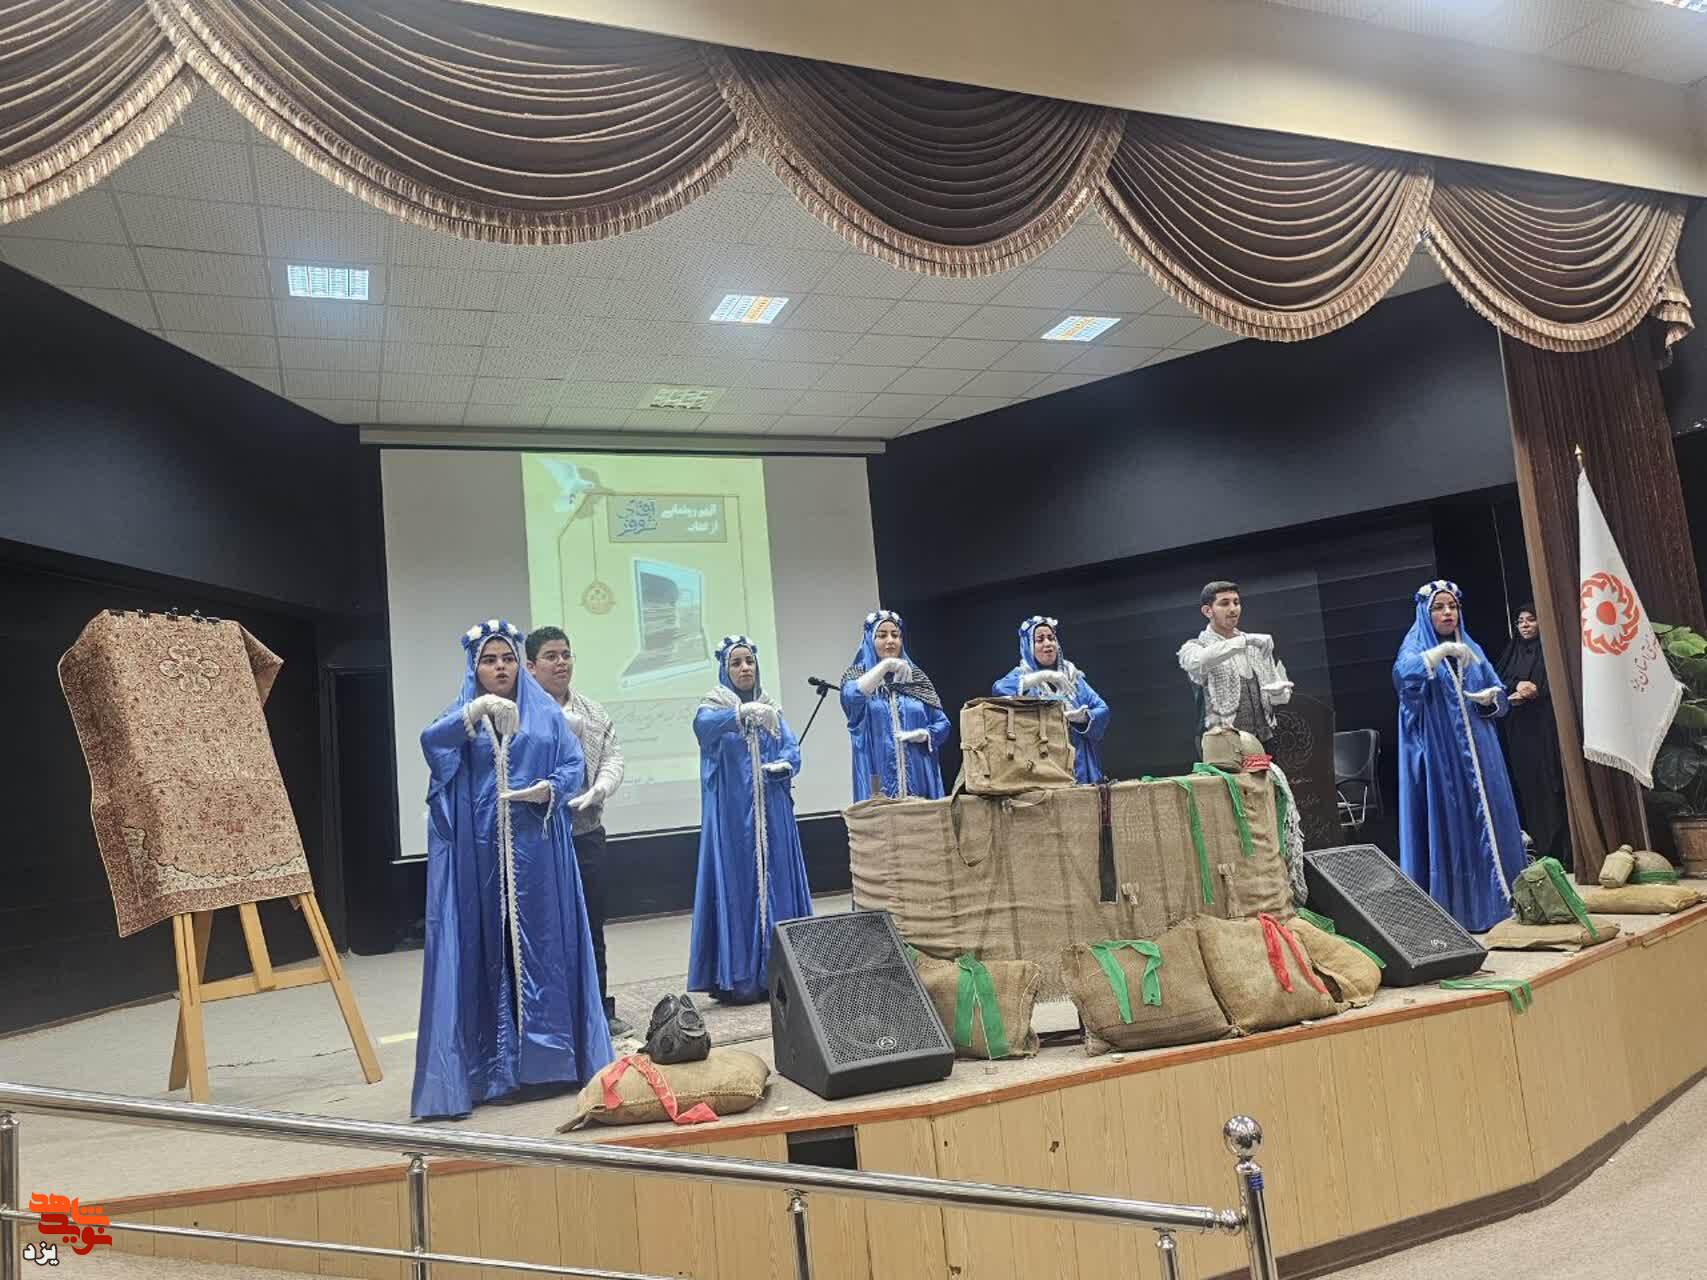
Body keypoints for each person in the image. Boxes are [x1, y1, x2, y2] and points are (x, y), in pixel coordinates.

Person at [412, 619, 613, 1120]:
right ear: (474, 668)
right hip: (481, 860)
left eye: (506, 659)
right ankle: (492, 1069)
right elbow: (432, 744)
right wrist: (473, 713)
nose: (500, 668)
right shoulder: (463, 714)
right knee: (487, 951)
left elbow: (572, 765)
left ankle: (550, 1065)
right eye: (489, 660)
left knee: (544, 952)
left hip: (538, 856)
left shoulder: (544, 714)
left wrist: (549, 789)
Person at [1393, 581, 1527, 933]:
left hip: (1483, 753)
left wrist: (1491, 699)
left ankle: (1504, 899)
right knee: (1454, 821)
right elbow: (1404, 679)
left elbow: (1499, 694)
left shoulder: (1472, 646)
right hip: (1443, 753)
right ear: (1426, 613)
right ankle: (1463, 907)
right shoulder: (1416, 646)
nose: (1447, 613)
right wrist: (1437, 655)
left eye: (1452, 606)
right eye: (1439, 607)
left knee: (1493, 816)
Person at [688, 635, 814, 1003]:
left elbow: (791, 749)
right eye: (736, 663)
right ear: (724, 669)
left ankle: (782, 971)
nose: (745, 668)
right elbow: (704, 729)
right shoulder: (714, 705)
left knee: (779, 881)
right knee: (737, 884)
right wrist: (741, 714)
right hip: (734, 820)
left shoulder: (771, 707)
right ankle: (742, 976)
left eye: (749, 662)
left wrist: (784, 765)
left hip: (773, 813)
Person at [526, 625, 631, 1036]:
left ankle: (599, 1010)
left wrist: (601, 787)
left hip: (586, 834)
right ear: (531, 666)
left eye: (566, 654)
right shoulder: (520, 713)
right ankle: (550, 1015)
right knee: (544, 928)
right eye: (551, 656)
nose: (561, 663)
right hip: (538, 839)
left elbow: (613, 756)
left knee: (592, 925)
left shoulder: (592, 711)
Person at [840, 609, 953, 801]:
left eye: (895, 635)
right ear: (869, 640)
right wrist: (886, 666)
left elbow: (943, 724)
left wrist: (926, 734)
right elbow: (852, 697)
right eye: (882, 635)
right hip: (877, 781)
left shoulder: (916, 678)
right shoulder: (858, 677)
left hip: (918, 779)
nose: (890, 640)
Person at [1177, 580, 1293, 757]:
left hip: (1264, 741)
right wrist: (1245, 640)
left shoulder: (1257, 645)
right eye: (1224, 603)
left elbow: (1279, 698)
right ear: (1208, 611)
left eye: (1236, 602)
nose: (1233, 609)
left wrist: (1278, 694)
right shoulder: (1194, 647)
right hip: (1220, 745)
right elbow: (1198, 661)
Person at [992, 615, 1110, 783]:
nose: (1048, 643)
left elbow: (1102, 709)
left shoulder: (1072, 677)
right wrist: (1044, 676)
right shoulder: (1023, 676)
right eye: (1039, 640)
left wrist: (1082, 718)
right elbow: (999, 690)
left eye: (1051, 638)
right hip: (1042, 767)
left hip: (1078, 766)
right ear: (1028, 646)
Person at [1496, 604, 1568, 862]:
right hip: (1520, 732)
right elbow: (1498, 681)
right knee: (1529, 787)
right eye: (1520, 621)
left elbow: (1559, 682)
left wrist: (1537, 691)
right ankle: (1541, 850)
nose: (1524, 625)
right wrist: (1516, 685)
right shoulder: (1511, 653)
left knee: (1554, 785)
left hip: (1547, 728)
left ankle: (1564, 851)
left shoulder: (1551, 649)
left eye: (1530, 620)